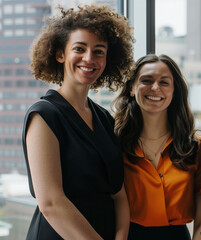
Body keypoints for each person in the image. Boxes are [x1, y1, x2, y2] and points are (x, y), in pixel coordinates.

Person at [22, 4, 134, 239]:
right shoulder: (44, 115)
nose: (89, 58)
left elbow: (119, 194)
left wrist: (121, 236)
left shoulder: (104, 119)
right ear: (60, 54)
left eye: (99, 51)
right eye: (79, 48)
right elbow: (51, 203)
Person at [113, 54, 201, 240]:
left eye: (164, 83)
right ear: (132, 88)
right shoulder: (115, 145)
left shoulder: (197, 148)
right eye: (146, 81)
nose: (155, 88)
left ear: (174, 91)